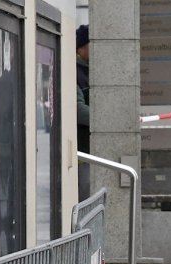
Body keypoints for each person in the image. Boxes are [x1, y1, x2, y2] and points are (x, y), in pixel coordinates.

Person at [76, 25, 91, 197]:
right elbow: (79, 110)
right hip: (83, 150)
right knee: (85, 193)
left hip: (93, 149)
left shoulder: (95, 70)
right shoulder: (75, 72)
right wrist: (106, 119)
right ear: (81, 48)